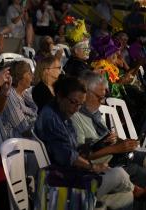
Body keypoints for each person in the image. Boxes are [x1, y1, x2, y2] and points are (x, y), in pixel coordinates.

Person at [34, 76, 134, 209]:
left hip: (74, 174)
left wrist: (97, 145)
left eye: (80, 104)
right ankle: (141, 191)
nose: (76, 108)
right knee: (119, 174)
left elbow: (75, 149)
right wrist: (93, 167)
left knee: (125, 197)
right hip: (61, 181)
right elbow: (67, 156)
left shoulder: (64, 115)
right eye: (73, 102)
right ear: (59, 96)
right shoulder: (51, 118)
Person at [72, 72, 146, 191]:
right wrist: (115, 148)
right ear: (85, 93)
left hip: (117, 155)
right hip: (107, 164)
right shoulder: (74, 117)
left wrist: (121, 142)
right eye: (99, 97)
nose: (102, 101)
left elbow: (103, 140)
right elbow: (79, 157)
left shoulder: (93, 112)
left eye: (103, 97)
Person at [0, 60, 37, 138]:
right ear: (19, 77)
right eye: (29, 74)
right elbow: (24, 131)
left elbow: (37, 109)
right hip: (18, 142)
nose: (32, 76)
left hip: (30, 134)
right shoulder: (10, 96)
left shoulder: (24, 93)